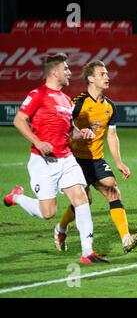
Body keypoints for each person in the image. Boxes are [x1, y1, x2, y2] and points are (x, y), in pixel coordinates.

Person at [3, 53, 108, 264]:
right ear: (54, 72)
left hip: (66, 158)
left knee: (82, 198)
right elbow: (19, 119)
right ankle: (17, 197)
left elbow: (69, 132)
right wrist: (38, 142)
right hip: (43, 161)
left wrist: (82, 132)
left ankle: (88, 252)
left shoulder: (67, 99)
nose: (69, 72)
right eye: (66, 69)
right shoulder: (38, 93)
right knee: (47, 212)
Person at [54, 60, 137, 254]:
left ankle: (126, 238)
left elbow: (112, 135)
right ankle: (61, 228)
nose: (107, 77)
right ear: (90, 78)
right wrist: (78, 133)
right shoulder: (77, 103)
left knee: (113, 192)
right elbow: (64, 128)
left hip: (96, 159)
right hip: (75, 161)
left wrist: (119, 162)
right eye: (102, 74)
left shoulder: (110, 106)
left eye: (107, 73)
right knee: (84, 201)